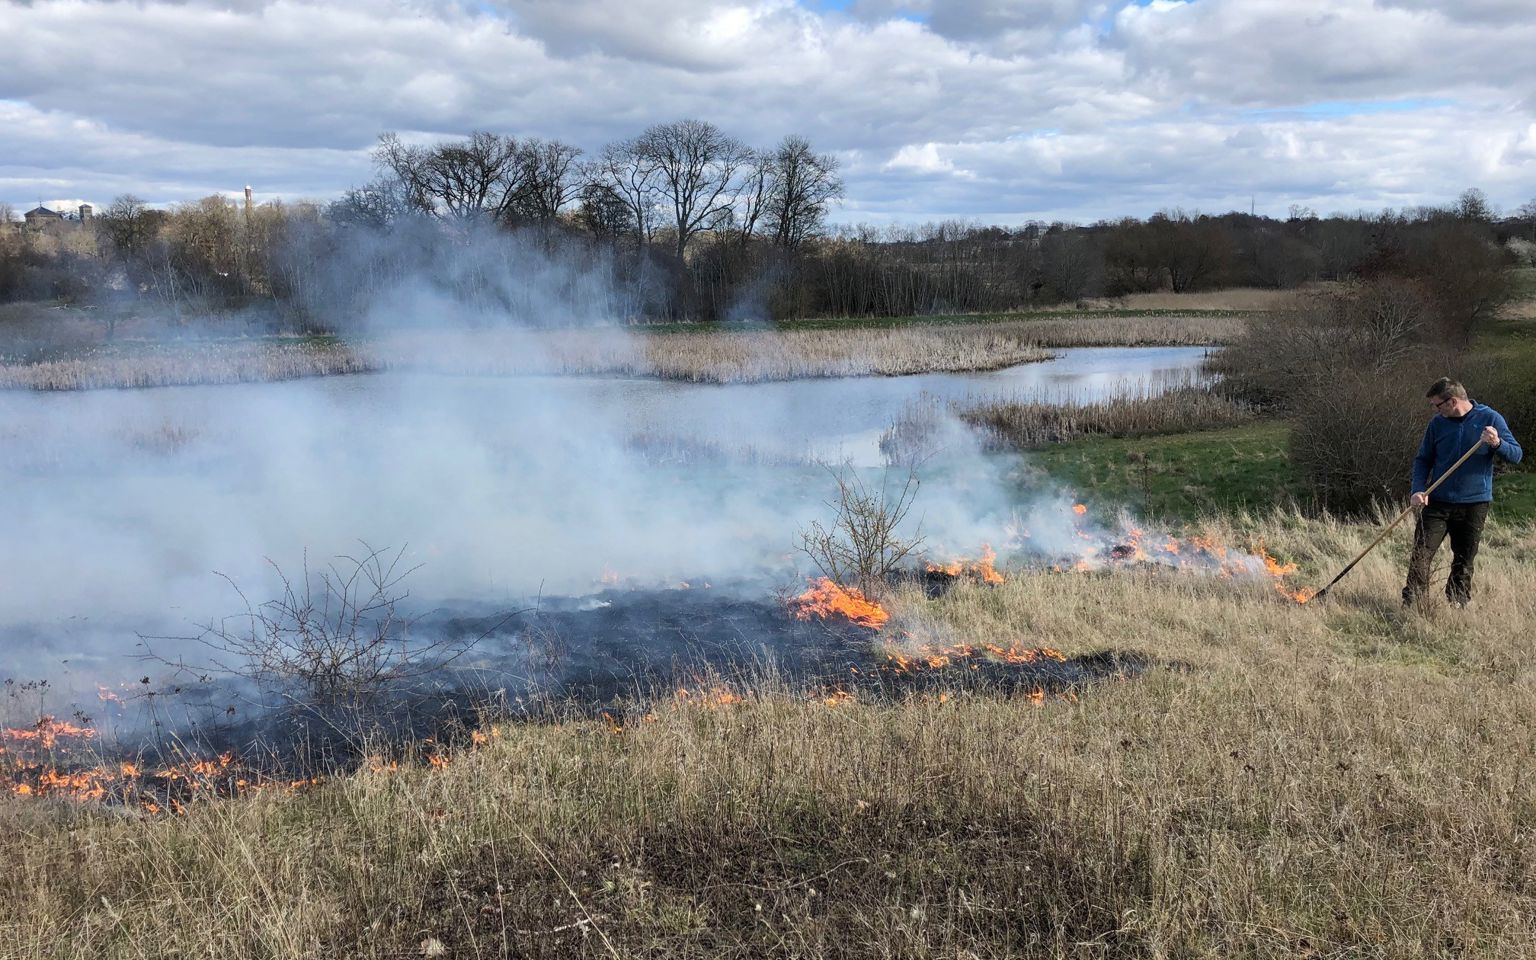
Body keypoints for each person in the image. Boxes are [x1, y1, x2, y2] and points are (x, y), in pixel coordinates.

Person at [1403, 377, 1522, 607]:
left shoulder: (1490, 418)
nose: (1435, 410)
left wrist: (1496, 443)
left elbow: (1516, 455)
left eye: (1437, 405)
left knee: (1464, 560)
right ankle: (1412, 604)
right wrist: (1418, 489)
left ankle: (1457, 603)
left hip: (1474, 504)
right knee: (1421, 555)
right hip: (1437, 502)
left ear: (1452, 401)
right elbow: (1423, 459)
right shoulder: (1437, 424)